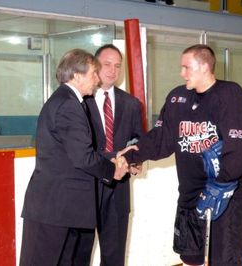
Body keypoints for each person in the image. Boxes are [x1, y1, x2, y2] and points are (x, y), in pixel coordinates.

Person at [119, 44, 242, 266]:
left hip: (228, 194)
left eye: (187, 67)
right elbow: (162, 138)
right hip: (191, 194)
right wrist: (132, 155)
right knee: (191, 258)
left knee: (225, 259)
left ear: (205, 66)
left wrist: (220, 184)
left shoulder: (229, 94)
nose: (181, 73)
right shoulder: (178, 98)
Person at [20, 48, 129, 265]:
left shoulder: (69, 101)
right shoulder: (68, 105)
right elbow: (83, 157)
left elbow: (75, 153)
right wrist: (113, 170)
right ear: (77, 75)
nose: (97, 80)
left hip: (63, 208)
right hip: (54, 209)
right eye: (93, 74)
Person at [74, 44, 143, 265]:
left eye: (117, 66)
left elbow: (137, 140)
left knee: (114, 256)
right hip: (85, 185)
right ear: (94, 65)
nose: (113, 70)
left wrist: (136, 160)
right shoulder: (79, 100)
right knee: (79, 254)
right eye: (107, 64)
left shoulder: (132, 104)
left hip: (118, 189)